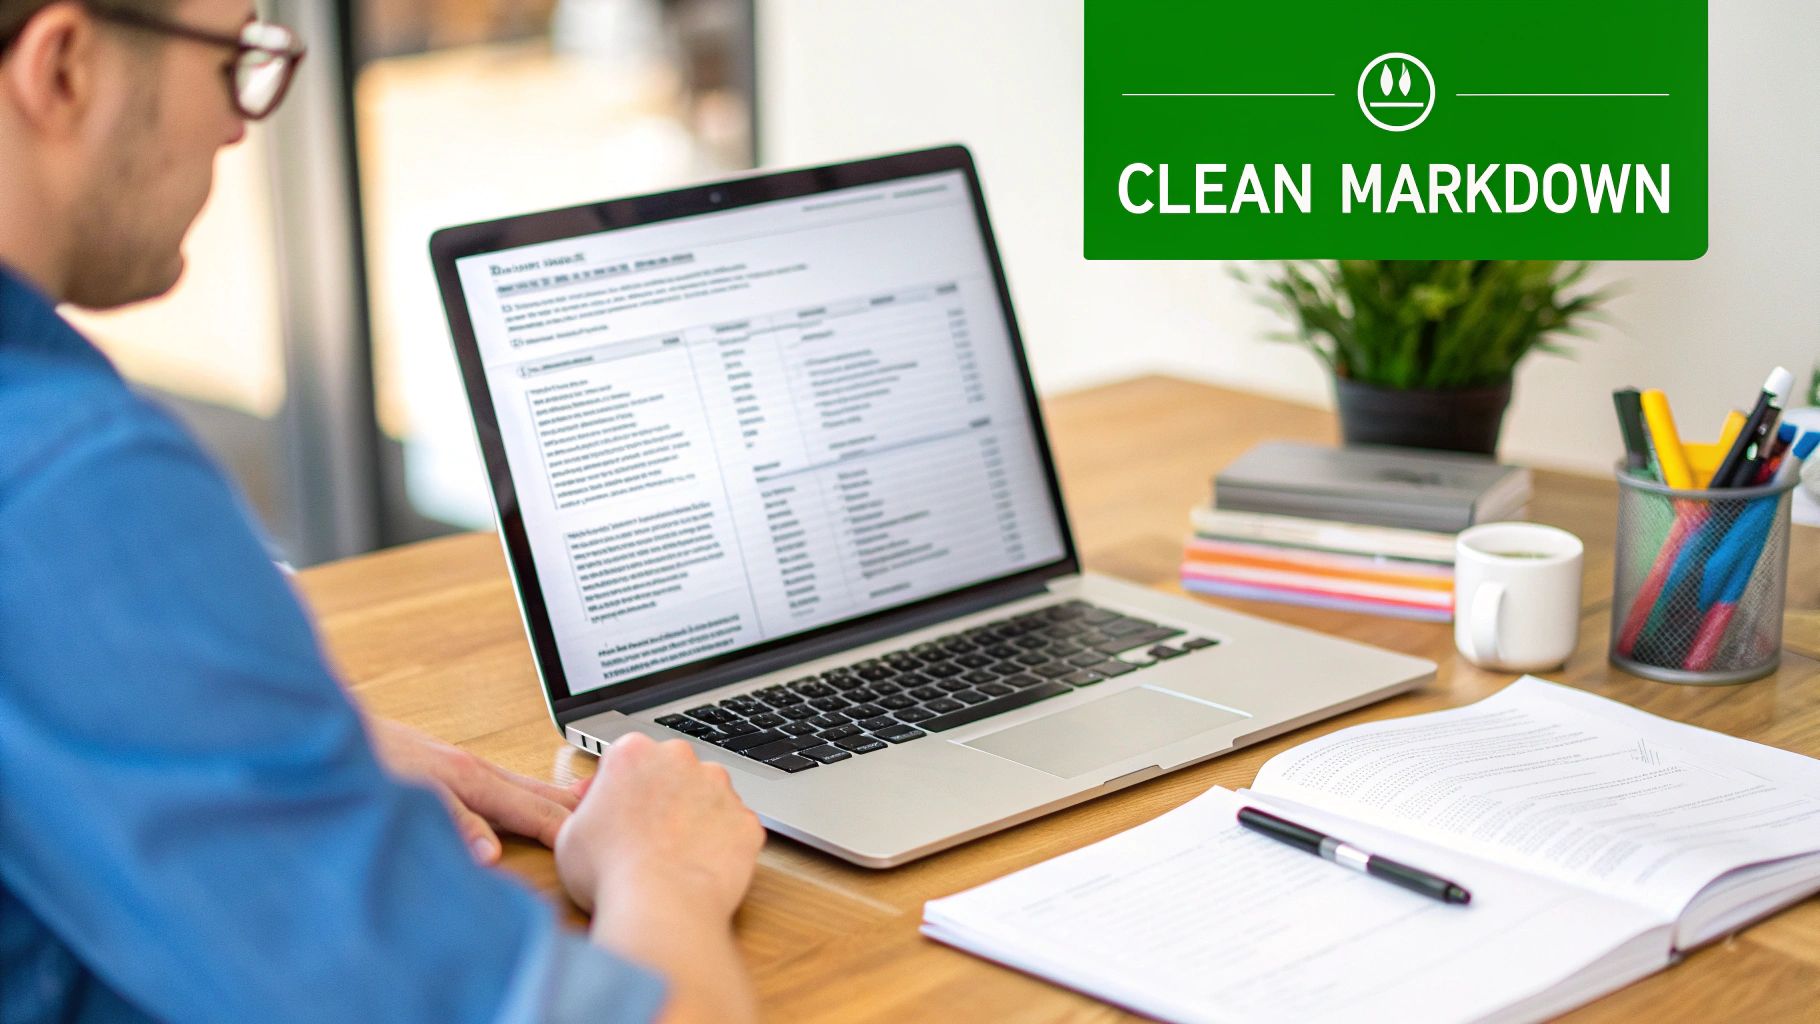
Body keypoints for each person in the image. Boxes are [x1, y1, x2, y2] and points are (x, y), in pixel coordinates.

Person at [0, 2, 765, 1022]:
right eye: (232, 57)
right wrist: (660, 867)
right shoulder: (74, 482)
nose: (240, 124)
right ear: (62, 68)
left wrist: (223, 723)